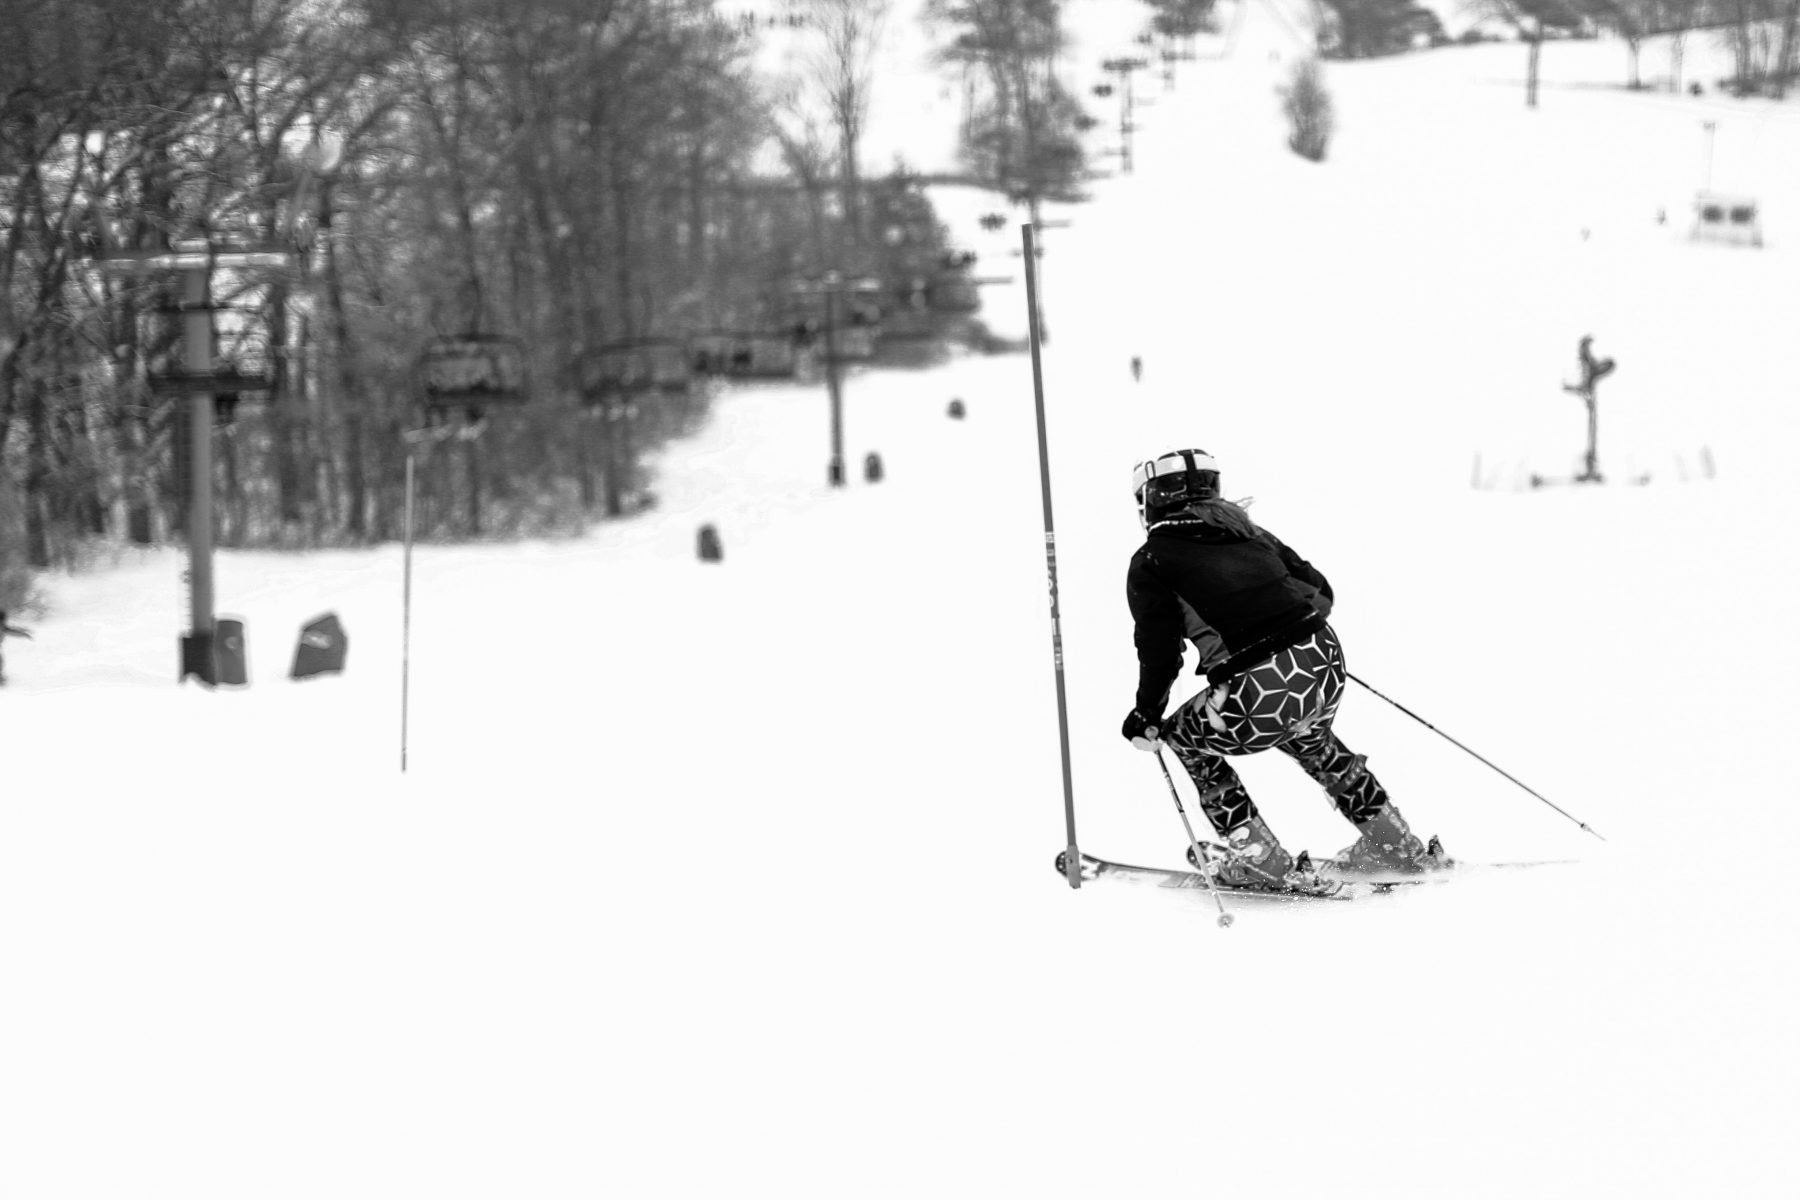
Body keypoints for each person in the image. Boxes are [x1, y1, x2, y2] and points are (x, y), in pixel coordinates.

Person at [1119, 449, 1444, 887]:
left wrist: (1147, 715)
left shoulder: (1152, 559)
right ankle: (1393, 843)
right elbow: (1320, 594)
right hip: (1324, 662)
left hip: (1257, 689)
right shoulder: (1247, 531)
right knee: (1314, 741)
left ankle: (1261, 860)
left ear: (1149, 502)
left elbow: (1159, 651)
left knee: (1186, 740)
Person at [0, 610, 33, 685]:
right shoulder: (3, 627)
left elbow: (13, 631)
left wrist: (24, 634)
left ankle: (1, 677)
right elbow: (12, 631)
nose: (3, 622)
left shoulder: (4, 627)